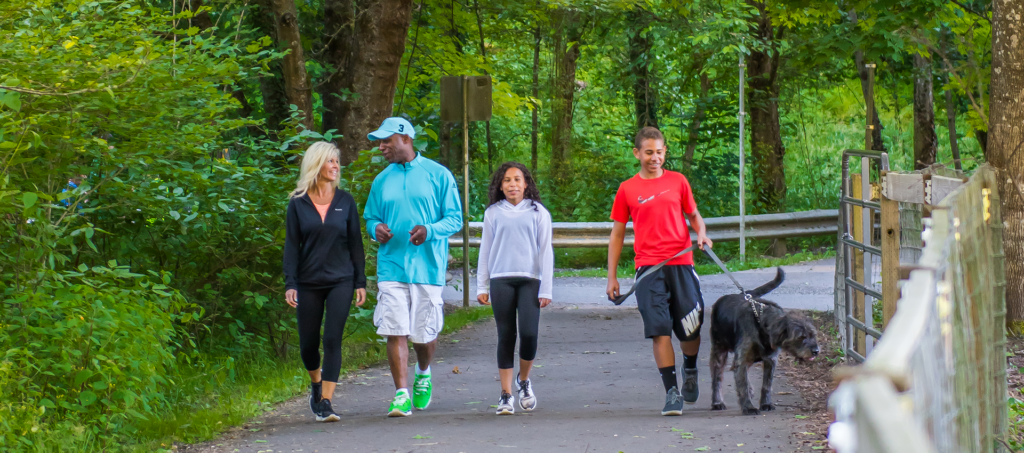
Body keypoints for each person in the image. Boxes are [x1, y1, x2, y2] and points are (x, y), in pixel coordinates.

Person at [605, 127, 713, 416]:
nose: (655, 157)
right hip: (648, 270)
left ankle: (690, 367)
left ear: (665, 152)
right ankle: (672, 392)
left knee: (691, 328)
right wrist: (612, 276)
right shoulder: (627, 188)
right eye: (649, 152)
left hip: (681, 264)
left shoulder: (678, 181)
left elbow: (694, 216)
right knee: (659, 331)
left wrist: (701, 234)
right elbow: (617, 235)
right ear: (637, 153)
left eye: (660, 151)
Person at [364, 117, 463, 417]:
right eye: (379, 142)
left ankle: (423, 371)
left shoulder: (438, 175)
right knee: (395, 329)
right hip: (391, 267)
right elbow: (370, 217)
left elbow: (455, 218)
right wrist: (375, 228)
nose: (381, 147)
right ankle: (401, 394)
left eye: (386, 141)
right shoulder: (382, 180)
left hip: (427, 268)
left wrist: (429, 230)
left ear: (405, 138)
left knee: (424, 335)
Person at [283, 141, 367, 423]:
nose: (335, 166)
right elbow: (291, 247)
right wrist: (290, 283)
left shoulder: (345, 201)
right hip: (307, 282)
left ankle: (327, 402)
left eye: (337, 162)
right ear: (316, 165)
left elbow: (356, 244)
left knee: (332, 339)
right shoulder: (298, 203)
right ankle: (316, 384)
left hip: (340, 280)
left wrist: (360, 281)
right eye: (330, 161)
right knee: (308, 345)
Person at [476, 162, 553, 415]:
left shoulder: (538, 212)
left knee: (529, 334)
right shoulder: (493, 213)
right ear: (500, 185)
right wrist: (482, 285)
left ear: (526, 184)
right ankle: (506, 394)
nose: (512, 184)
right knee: (506, 335)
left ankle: (524, 380)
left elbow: (546, 251)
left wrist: (546, 289)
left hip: (530, 280)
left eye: (517, 180)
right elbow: (485, 250)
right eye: (507, 180)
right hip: (501, 279)